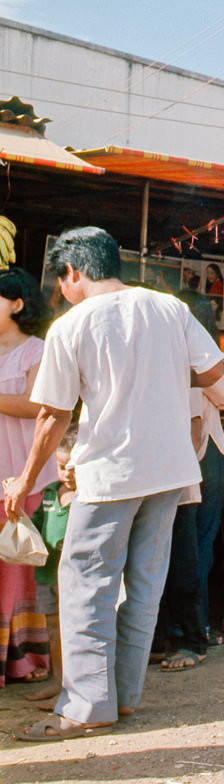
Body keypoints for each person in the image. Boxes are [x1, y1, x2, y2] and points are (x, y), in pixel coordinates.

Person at [5, 226, 224, 742]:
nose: (61, 291)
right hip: (169, 470)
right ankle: (123, 697)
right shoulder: (170, 308)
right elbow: (214, 371)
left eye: (62, 280)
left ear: (74, 272)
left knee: (86, 585)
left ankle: (84, 707)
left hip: (110, 475)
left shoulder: (71, 324)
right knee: (145, 586)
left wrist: (27, 477)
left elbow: (51, 416)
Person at [155, 292, 224, 671]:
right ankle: (192, 630)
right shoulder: (199, 360)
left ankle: (188, 632)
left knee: (185, 550)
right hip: (198, 460)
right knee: (193, 549)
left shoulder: (183, 357)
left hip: (193, 459)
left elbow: (211, 409)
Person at [0, 268, 57, 688]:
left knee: (16, 570)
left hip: (25, 478)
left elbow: (38, 406)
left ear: (17, 304)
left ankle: (21, 661)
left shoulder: (38, 350)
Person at [24, 425, 77, 708]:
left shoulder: (86, 499)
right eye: (61, 466)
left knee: (75, 628)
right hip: (47, 575)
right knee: (54, 629)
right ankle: (57, 681)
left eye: (73, 466)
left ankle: (74, 685)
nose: (67, 472)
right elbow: (36, 529)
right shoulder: (47, 496)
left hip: (74, 578)